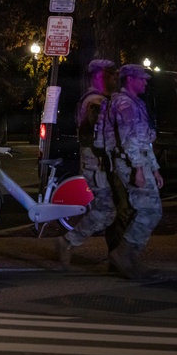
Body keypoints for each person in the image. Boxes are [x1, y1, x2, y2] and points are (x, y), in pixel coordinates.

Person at [101, 64, 164, 279]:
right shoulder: (124, 103)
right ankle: (123, 255)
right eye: (142, 78)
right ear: (130, 80)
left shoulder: (136, 103)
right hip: (130, 163)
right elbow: (129, 139)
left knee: (149, 210)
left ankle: (129, 258)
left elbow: (143, 139)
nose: (145, 82)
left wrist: (154, 168)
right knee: (149, 210)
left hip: (139, 162)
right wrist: (138, 169)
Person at [55, 59, 118, 269]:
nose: (114, 79)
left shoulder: (93, 99)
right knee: (107, 209)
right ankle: (69, 240)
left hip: (97, 162)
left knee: (109, 208)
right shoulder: (95, 102)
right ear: (99, 76)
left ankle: (113, 255)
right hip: (96, 163)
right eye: (110, 75)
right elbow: (102, 134)